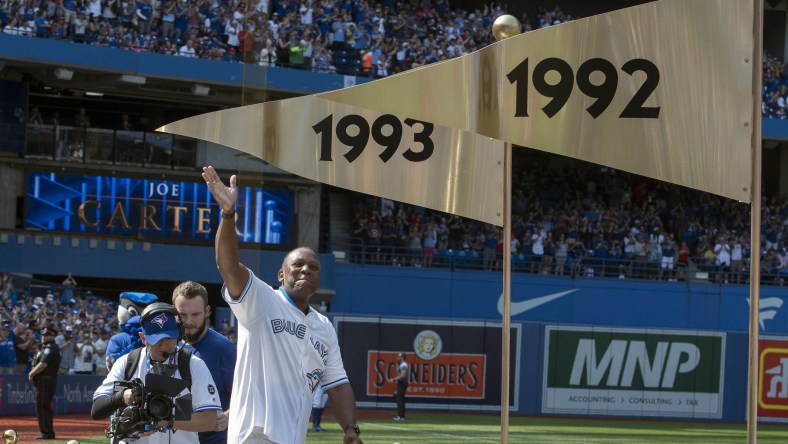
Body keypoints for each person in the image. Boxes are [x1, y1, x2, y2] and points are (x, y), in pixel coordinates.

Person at [201, 165, 363, 444]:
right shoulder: (262, 300)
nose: (305, 270)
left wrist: (350, 429)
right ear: (281, 275)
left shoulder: (324, 327)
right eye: (297, 265)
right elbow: (226, 265)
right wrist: (228, 214)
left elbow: (337, 384)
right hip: (254, 435)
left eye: (313, 267)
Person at [91, 303, 224, 443]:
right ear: (143, 338)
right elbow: (97, 410)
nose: (164, 345)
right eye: (157, 339)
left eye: (169, 338)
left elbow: (209, 420)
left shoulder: (193, 365)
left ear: (178, 334)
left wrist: (163, 421)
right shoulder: (127, 363)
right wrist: (122, 397)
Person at [171, 281, 235, 444]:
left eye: (195, 315)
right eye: (182, 315)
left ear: (207, 311)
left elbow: (249, 394)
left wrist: (230, 415)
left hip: (213, 439)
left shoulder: (225, 350)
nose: (189, 321)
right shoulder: (164, 344)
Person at [29, 326, 61, 440]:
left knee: (42, 407)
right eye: (42, 335)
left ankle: (46, 432)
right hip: (45, 380)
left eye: (46, 335)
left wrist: (31, 373)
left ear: (52, 336)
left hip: (45, 380)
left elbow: (43, 364)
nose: (43, 337)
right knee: (44, 406)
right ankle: (47, 432)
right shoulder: (46, 347)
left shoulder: (50, 348)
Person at [388, 353, 408, 421]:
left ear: (402, 357)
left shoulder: (403, 365)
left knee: (399, 399)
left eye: (399, 357)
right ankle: (401, 416)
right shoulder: (402, 364)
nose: (397, 358)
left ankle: (400, 416)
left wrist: (394, 379)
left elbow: (403, 375)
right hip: (401, 383)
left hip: (402, 383)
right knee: (400, 399)